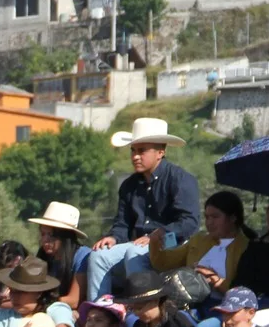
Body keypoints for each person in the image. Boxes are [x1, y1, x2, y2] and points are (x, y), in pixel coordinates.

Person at [87, 117, 203, 302]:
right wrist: (114, 237)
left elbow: (189, 223)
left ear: (160, 152)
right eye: (133, 150)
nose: (135, 156)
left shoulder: (180, 179)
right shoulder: (128, 186)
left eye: (142, 151)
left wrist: (157, 235)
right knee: (98, 256)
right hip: (138, 246)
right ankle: (99, 311)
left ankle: (139, 309)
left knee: (133, 253)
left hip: (172, 246)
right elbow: (123, 223)